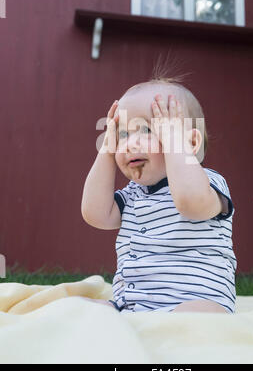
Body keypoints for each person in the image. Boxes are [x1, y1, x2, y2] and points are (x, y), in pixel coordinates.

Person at [81, 67, 236, 314]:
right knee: (74, 309)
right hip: (130, 305)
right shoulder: (132, 194)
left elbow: (190, 202)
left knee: (202, 316)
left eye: (148, 130)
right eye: (123, 135)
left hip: (193, 301)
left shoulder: (208, 183)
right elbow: (94, 213)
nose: (131, 144)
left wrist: (175, 143)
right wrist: (107, 149)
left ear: (191, 143)